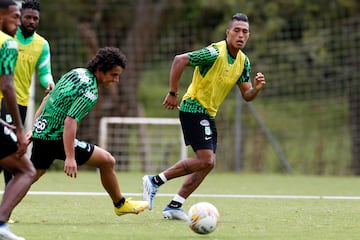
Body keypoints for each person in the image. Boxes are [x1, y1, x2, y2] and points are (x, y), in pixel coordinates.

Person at [142, 13, 266, 220]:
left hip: (208, 113)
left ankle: (174, 205)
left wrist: (258, 88)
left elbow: (247, 95)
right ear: (228, 32)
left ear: (249, 36)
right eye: (236, 30)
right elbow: (180, 60)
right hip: (193, 107)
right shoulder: (214, 53)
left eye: (245, 32)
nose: (240, 35)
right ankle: (154, 181)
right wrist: (173, 92)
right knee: (206, 159)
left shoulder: (243, 62)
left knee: (208, 163)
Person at [28, 47, 149, 217]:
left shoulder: (76, 72)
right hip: (57, 138)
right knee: (107, 161)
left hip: (43, 134)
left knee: (29, 176)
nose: (116, 80)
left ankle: (4, 212)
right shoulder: (90, 91)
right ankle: (120, 204)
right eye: (114, 75)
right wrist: (70, 157)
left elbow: (49, 97)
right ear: (100, 70)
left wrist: (35, 128)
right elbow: (70, 120)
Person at [0, 0, 54, 216]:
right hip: (4, 101)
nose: (31, 21)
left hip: (18, 103)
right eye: (27, 17)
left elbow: (44, 71)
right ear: (18, 16)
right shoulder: (9, 40)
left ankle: (5, 212)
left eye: (35, 19)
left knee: (11, 157)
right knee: (15, 158)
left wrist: (49, 82)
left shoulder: (42, 44)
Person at [0, 0, 36, 239]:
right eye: (14, 17)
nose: (18, 22)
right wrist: (20, 128)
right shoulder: (8, 44)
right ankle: (1, 223)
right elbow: (7, 86)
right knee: (26, 170)